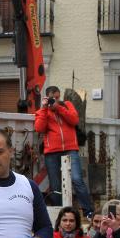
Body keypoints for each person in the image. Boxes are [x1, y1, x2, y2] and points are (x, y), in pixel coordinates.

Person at [34, 86, 94, 218]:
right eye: (52, 98)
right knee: (55, 184)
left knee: (77, 179)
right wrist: (45, 108)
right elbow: (39, 128)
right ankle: (62, 214)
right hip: (52, 151)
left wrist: (58, 108)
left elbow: (74, 120)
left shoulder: (66, 105)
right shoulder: (42, 111)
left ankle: (88, 211)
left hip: (70, 148)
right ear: (47, 97)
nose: (55, 100)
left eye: (57, 97)